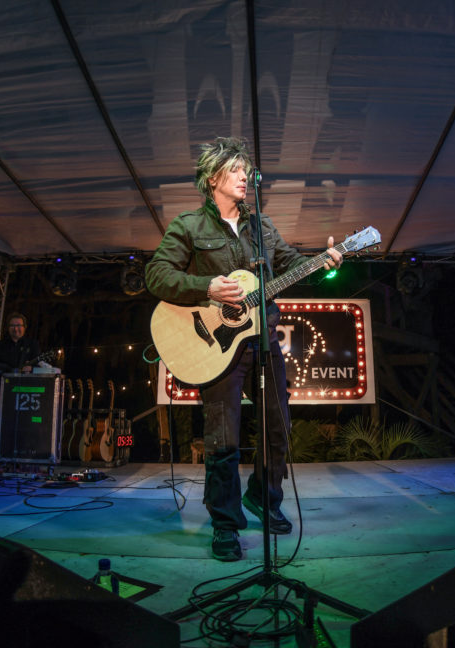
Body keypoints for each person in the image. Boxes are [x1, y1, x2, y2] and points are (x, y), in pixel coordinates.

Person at [145, 137, 342, 561]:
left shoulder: (262, 227)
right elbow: (157, 276)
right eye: (236, 170)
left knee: (278, 429)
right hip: (216, 346)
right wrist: (206, 286)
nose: (244, 177)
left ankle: (264, 499)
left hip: (264, 341)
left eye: (246, 171)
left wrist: (323, 262)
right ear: (213, 177)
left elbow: (291, 266)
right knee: (222, 438)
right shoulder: (188, 226)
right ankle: (225, 523)